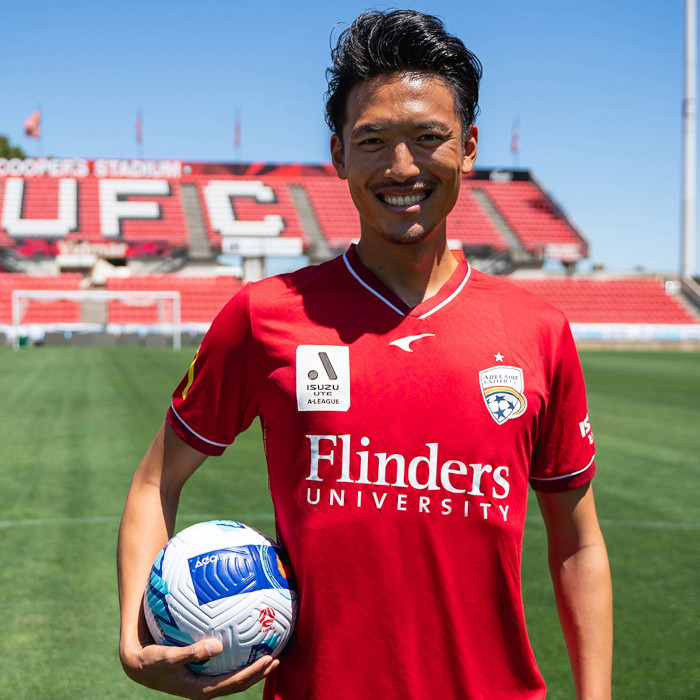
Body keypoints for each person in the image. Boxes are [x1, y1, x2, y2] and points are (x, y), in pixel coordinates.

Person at [118, 9, 613, 699]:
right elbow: (154, 483)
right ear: (339, 154)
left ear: (469, 147)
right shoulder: (265, 316)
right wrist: (134, 640)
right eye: (373, 140)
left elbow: (578, 542)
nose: (402, 166)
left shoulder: (539, 330)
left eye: (429, 138)